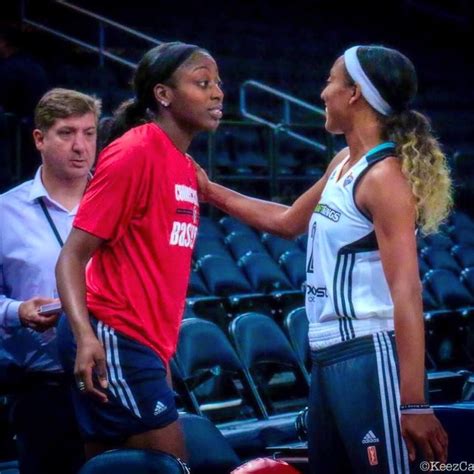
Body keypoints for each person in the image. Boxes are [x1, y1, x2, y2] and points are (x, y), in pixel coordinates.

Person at [195, 44, 451, 472]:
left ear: (355, 94)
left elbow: (406, 290)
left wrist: (414, 402)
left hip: (371, 352)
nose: (323, 93)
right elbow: (286, 220)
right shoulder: (342, 163)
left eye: (331, 81)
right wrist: (208, 189)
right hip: (328, 353)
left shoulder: (384, 177)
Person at [55, 42, 224, 461]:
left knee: (112, 465)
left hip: (143, 342)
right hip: (110, 333)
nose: (218, 93)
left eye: (218, 83)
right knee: (171, 464)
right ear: (163, 95)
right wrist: (84, 337)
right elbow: (71, 257)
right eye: (203, 83)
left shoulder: (184, 165)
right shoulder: (134, 153)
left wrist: (158, 354)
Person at [0, 88, 101, 474]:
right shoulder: (5, 213)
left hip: (117, 378)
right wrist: (16, 311)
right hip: (43, 387)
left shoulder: (120, 202)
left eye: (89, 133)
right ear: (39, 138)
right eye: (67, 133)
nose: (81, 147)